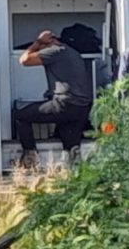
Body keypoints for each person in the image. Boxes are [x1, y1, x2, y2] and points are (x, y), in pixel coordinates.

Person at [15, 30, 94, 169]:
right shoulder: (73, 53)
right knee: (71, 146)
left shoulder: (54, 51)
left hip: (64, 105)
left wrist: (37, 43)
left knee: (20, 115)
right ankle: (74, 171)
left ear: (49, 43)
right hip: (81, 107)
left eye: (41, 49)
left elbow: (24, 60)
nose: (40, 52)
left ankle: (30, 155)